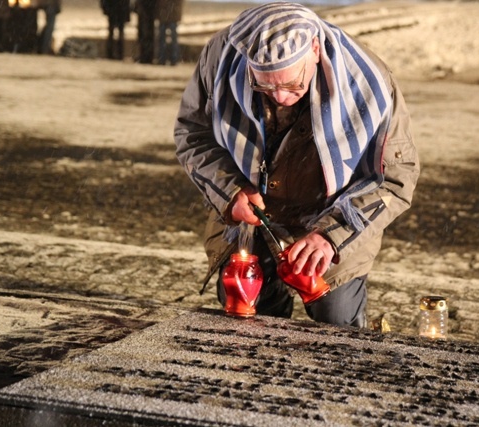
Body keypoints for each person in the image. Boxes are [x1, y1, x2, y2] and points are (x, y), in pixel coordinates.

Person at [174, 2, 419, 328]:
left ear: (315, 49)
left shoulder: (370, 83)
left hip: (335, 214)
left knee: (337, 323)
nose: (280, 98)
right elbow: (193, 134)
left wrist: (332, 237)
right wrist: (230, 192)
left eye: (293, 85)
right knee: (248, 313)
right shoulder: (220, 60)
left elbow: (396, 177)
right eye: (265, 86)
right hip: (250, 218)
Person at [156, 0, 183, 65]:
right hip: (171, 12)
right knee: (172, 37)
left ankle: (163, 58)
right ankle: (172, 58)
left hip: (166, 12)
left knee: (163, 37)